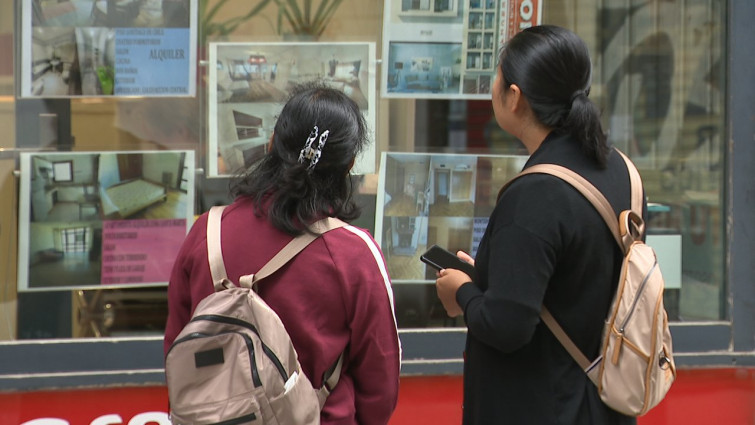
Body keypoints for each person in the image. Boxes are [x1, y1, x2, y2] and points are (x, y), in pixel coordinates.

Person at [434, 25, 641, 424]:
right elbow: (569, 285)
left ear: (515, 97)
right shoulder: (621, 170)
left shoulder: (534, 194)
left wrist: (461, 291)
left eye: (497, 77)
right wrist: (488, 279)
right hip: (604, 402)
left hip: (539, 405)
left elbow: (506, 326)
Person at [164, 81, 401, 425]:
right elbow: (379, 384)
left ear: (272, 142)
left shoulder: (207, 232)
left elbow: (177, 346)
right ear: (349, 164)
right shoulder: (355, 255)